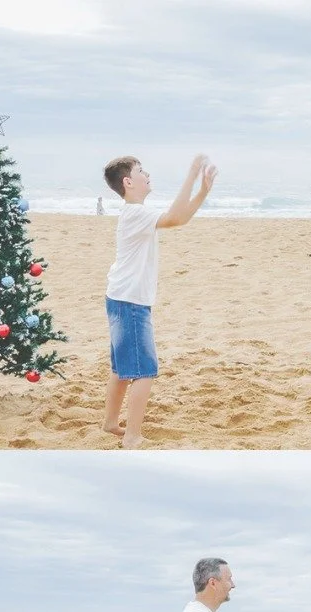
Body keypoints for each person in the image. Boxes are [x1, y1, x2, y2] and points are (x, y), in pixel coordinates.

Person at [101, 154, 217, 447]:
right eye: (142, 171)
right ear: (128, 182)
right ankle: (132, 436)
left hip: (120, 297)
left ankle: (111, 423)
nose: (147, 174)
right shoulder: (135, 214)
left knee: (122, 368)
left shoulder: (135, 213)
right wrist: (191, 174)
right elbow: (176, 217)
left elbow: (179, 218)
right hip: (130, 302)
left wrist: (202, 191)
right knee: (145, 371)